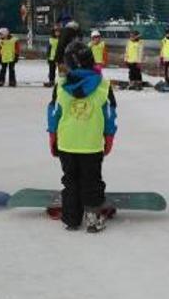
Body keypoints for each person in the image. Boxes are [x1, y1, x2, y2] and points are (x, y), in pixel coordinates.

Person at [47, 41, 118, 232]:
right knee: (92, 181)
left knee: (70, 180)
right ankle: (93, 219)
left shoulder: (61, 85)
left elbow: (54, 113)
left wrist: (53, 137)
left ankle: (71, 219)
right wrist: (109, 137)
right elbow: (110, 115)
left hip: (67, 143)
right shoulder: (103, 85)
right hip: (91, 144)